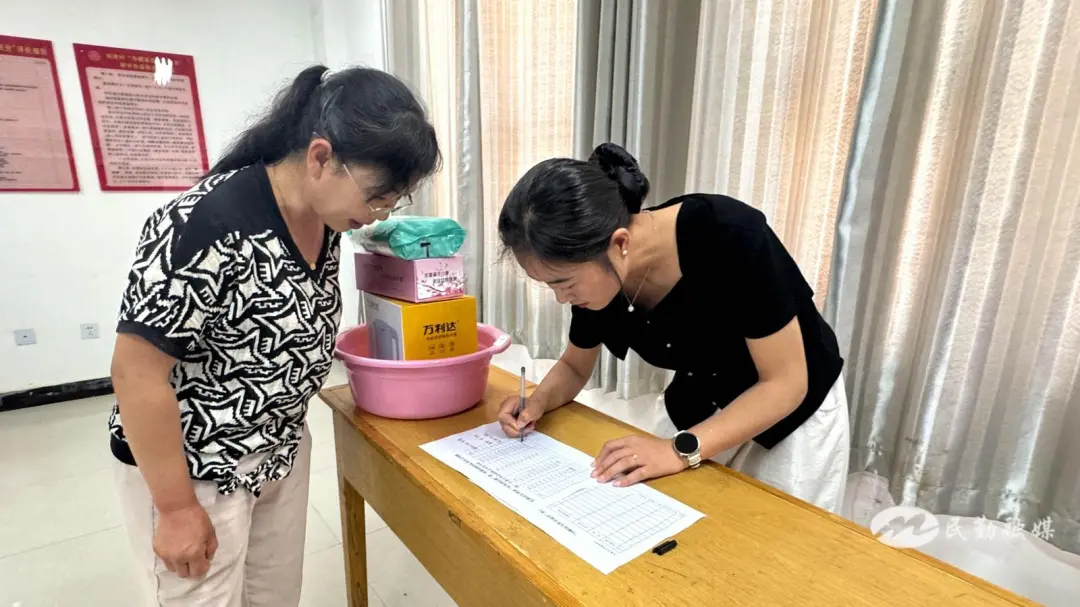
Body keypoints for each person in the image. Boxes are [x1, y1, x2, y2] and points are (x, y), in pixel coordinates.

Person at [109, 65, 439, 605]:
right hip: (196, 468)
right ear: (320, 158)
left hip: (279, 449)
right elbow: (135, 373)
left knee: (275, 596)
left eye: (392, 202)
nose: (378, 214)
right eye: (378, 197)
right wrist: (175, 507)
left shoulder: (326, 221)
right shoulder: (203, 225)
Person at [495, 143, 849, 513]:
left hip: (792, 404)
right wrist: (537, 401)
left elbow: (785, 384)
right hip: (701, 394)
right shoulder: (595, 271)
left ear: (620, 244)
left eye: (563, 283)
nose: (561, 298)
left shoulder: (730, 235)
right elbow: (574, 365)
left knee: (776, 530)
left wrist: (678, 451)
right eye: (549, 285)